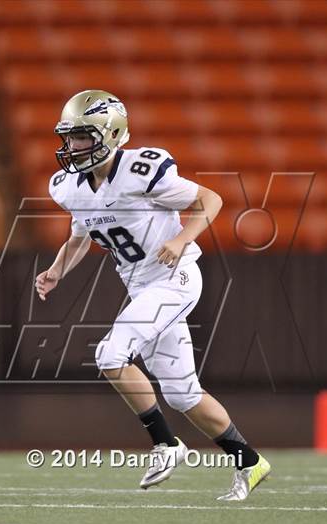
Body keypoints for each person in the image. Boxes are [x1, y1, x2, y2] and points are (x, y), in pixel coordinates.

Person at [35, 89, 271, 500]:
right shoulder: (71, 187)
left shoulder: (141, 170)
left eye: (82, 137)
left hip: (174, 278)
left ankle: (166, 444)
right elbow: (79, 237)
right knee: (182, 393)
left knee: (110, 354)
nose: (72, 146)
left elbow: (210, 199)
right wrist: (56, 271)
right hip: (142, 287)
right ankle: (249, 462)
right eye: (69, 137)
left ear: (110, 134)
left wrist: (181, 239)